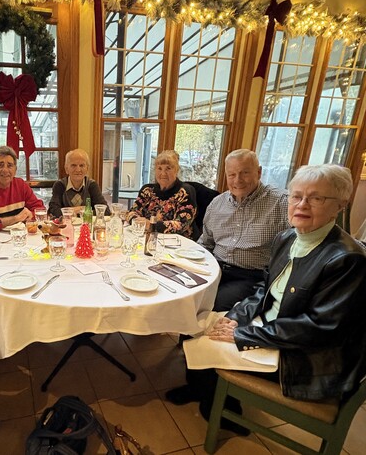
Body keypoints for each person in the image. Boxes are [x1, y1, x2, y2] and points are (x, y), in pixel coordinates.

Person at [167, 164, 366, 434]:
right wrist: (236, 318)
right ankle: (202, 390)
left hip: (304, 357)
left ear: (340, 205)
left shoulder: (348, 259)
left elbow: (319, 329)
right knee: (198, 322)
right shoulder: (288, 237)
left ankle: (223, 411)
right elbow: (265, 288)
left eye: (316, 198)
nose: (302, 205)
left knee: (208, 343)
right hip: (272, 328)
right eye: (297, 196)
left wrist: (244, 334)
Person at [200, 149, 289, 311]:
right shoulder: (216, 204)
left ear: (259, 172)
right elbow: (206, 243)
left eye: (245, 173)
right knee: (184, 293)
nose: (238, 180)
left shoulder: (282, 203)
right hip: (214, 267)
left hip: (251, 276)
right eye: (232, 175)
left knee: (212, 304)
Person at [126, 150, 197, 238]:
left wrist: (151, 225)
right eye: (159, 168)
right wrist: (136, 220)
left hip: (178, 242)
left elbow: (182, 224)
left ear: (176, 170)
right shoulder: (147, 190)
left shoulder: (185, 192)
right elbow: (132, 212)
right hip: (147, 238)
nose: (163, 173)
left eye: (168, 168)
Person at [48, 149, 109, 218]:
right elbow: (53, 211)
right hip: (67, 224)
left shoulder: (92, 185)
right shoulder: (60, 185)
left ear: (87, 169)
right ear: (66, 169)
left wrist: (71, 212)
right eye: (73, 165)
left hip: (87, 224)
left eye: (82, 165)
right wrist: (78, 210)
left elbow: (105, 211)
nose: (78, 170)